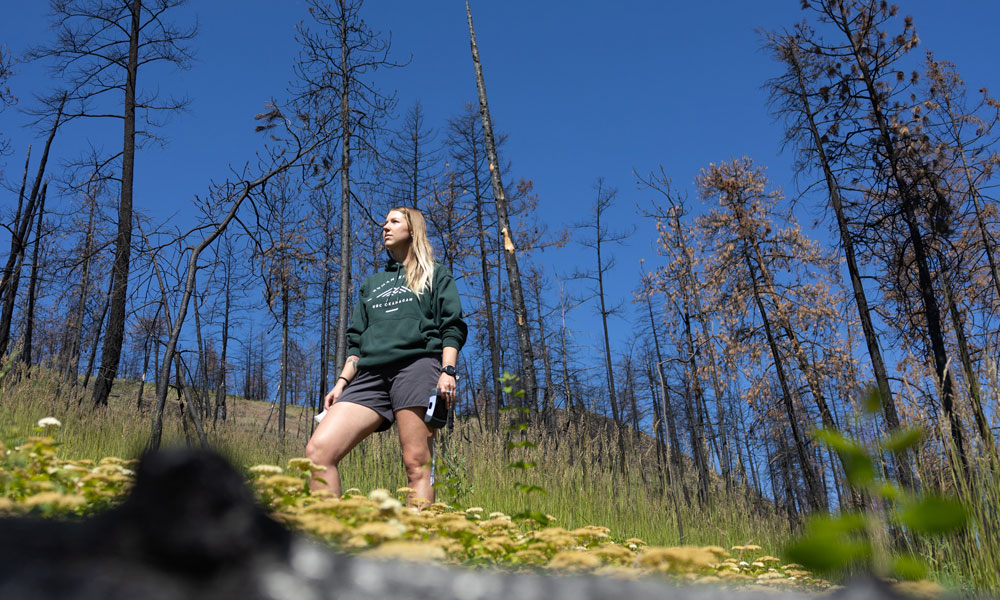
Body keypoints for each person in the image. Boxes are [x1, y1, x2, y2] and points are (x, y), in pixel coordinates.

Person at [305, 206, 467, 505]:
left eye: (394, 221)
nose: (385, 227)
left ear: (413, 230)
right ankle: (328, 541)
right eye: (384, 223)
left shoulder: (435, 274)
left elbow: (452, 326)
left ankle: (417, 548)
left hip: (417, 366)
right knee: (319, 451)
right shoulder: (371, 285)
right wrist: (341, 383)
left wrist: (448, 371)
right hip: (370, 375)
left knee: (417, 463)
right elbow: (357, 343)